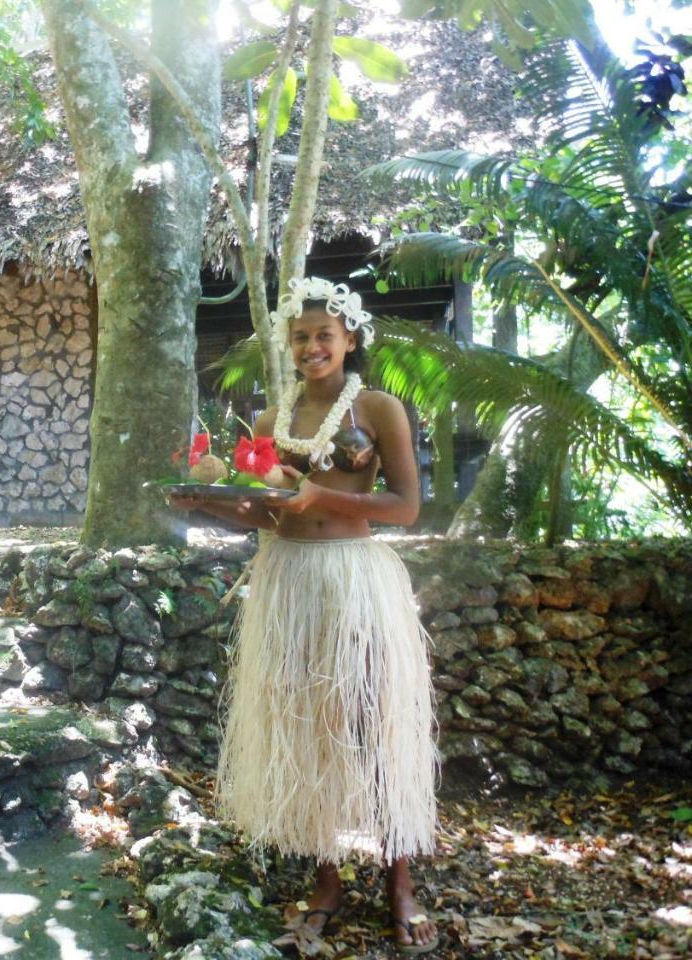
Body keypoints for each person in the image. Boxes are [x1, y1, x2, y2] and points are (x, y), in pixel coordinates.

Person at [170, 277, 439, 954]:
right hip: (288, 578)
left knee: (375, 724)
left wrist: (320, 491)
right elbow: (262, 512)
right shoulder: (270, 422)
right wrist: (204, 501)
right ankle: (326, 880)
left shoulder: (378, 408)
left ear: (350, 340)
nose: (312, 346)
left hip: (355, 577)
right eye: (300, 336)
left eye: (325, 335)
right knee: (307, 727)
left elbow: (406, 507)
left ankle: (398, 879)